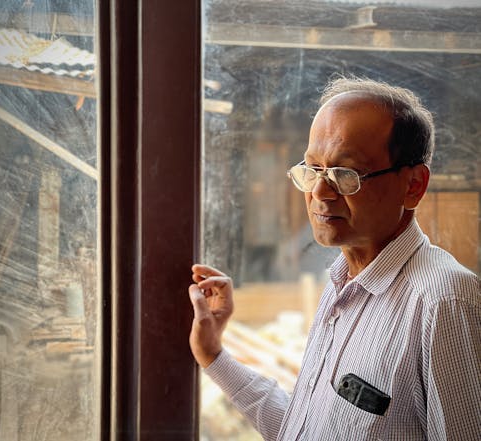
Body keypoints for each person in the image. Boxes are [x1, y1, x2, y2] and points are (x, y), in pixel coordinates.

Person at [188, 77, 481, 440]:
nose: (320, 192)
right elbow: (304, 428)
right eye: (313, 170)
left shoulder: (444, 302)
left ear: (414, 185)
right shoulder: (343, 284)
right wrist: (214, 355)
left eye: (346, 174)